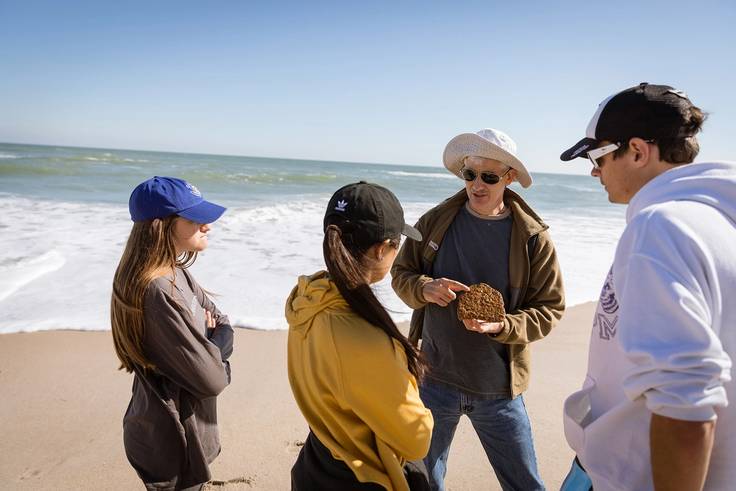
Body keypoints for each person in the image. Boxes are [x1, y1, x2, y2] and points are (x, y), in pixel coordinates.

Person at [559, 82, 736, 490]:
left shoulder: (660, 228)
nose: (593, 171)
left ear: (637, 151)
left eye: (597, 156)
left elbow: (686, 400)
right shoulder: (717, 218)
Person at [391, 128, 565, 491]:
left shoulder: (533, 238)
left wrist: (504, 325)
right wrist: (425, 287)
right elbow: (401, 273)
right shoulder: (435, 222)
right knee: (420, 484)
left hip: (498, 389)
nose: (477, 185)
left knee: (526, 486)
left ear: (509, 177)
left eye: (489, 176)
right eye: (470, 174)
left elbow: (550, 309)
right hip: (434, 381)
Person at [286, 181, 434, 491]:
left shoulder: (307, 298)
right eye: (398, 244)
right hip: (362, 476)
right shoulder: (363, 337)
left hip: (318, 460)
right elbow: (417, 441)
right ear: (382, 249)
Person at [111, 176, 234, 491]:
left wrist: (210, 342)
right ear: (161, 225)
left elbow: (222, 322)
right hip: (172, 441)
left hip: (188, 431)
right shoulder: (156, 289)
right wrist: (213, 345)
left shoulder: (176, 272)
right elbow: (213, 380)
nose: (206, 225)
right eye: (195, 218)